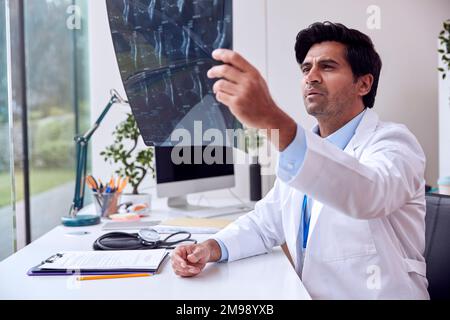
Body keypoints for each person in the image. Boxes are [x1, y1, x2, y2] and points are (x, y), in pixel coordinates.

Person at [171, 22, 429, 300]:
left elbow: (369, 195)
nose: (311, 77)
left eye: (327, 67)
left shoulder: (395, 143)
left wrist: (273, 120)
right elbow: (264, 224)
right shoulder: (305, 150)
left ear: (363, 83)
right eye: (306, 69)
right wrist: (211, 247)